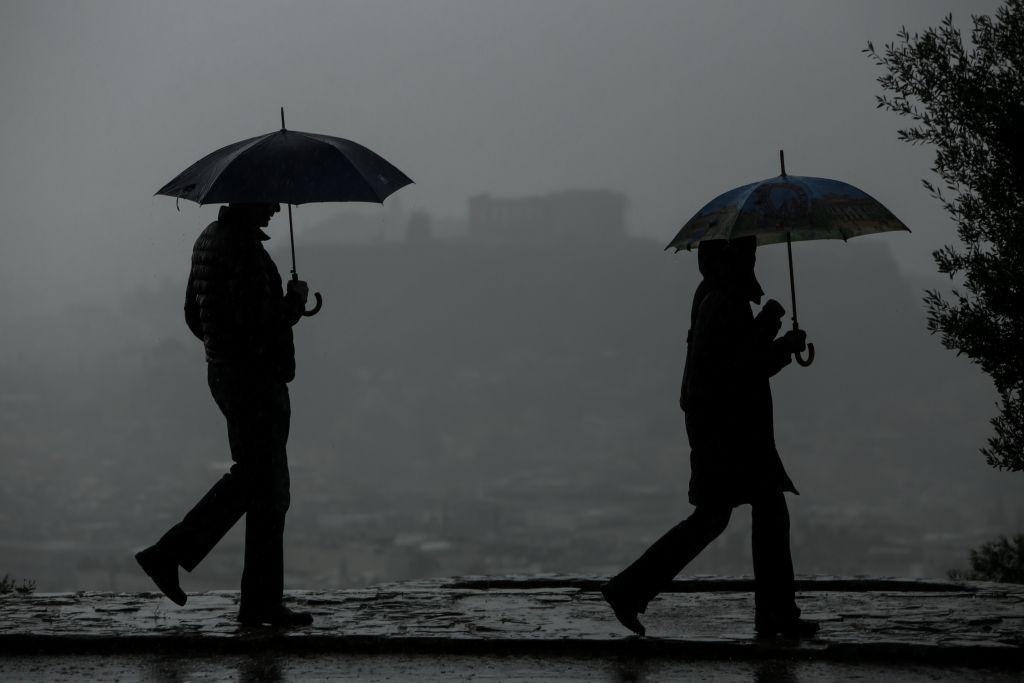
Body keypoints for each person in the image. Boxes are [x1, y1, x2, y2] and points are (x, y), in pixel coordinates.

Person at [601, 235, 819, 638]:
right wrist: (780, 336)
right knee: (748, 513)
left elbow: (734, 359)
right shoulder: (724, 302)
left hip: (722, 429)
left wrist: (771, 332)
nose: (753, 260)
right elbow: (740, 367)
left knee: (722, 517)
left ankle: (630, 590)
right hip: (730, 432)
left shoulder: (716, 298)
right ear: (731, 259)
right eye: (747, 254)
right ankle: (773, 612)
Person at [135, 202, 313, 627]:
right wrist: (293, 303)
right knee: (264, 486)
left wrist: (222, 345)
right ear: (250, 201)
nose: (273, 209)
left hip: (225, 374)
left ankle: (257, 602)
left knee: (260, 486)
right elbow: (259, 323)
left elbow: (194, 318)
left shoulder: (208, 242)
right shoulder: (246, 252)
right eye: (267, 201)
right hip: (254, 381)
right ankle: (173, 555)